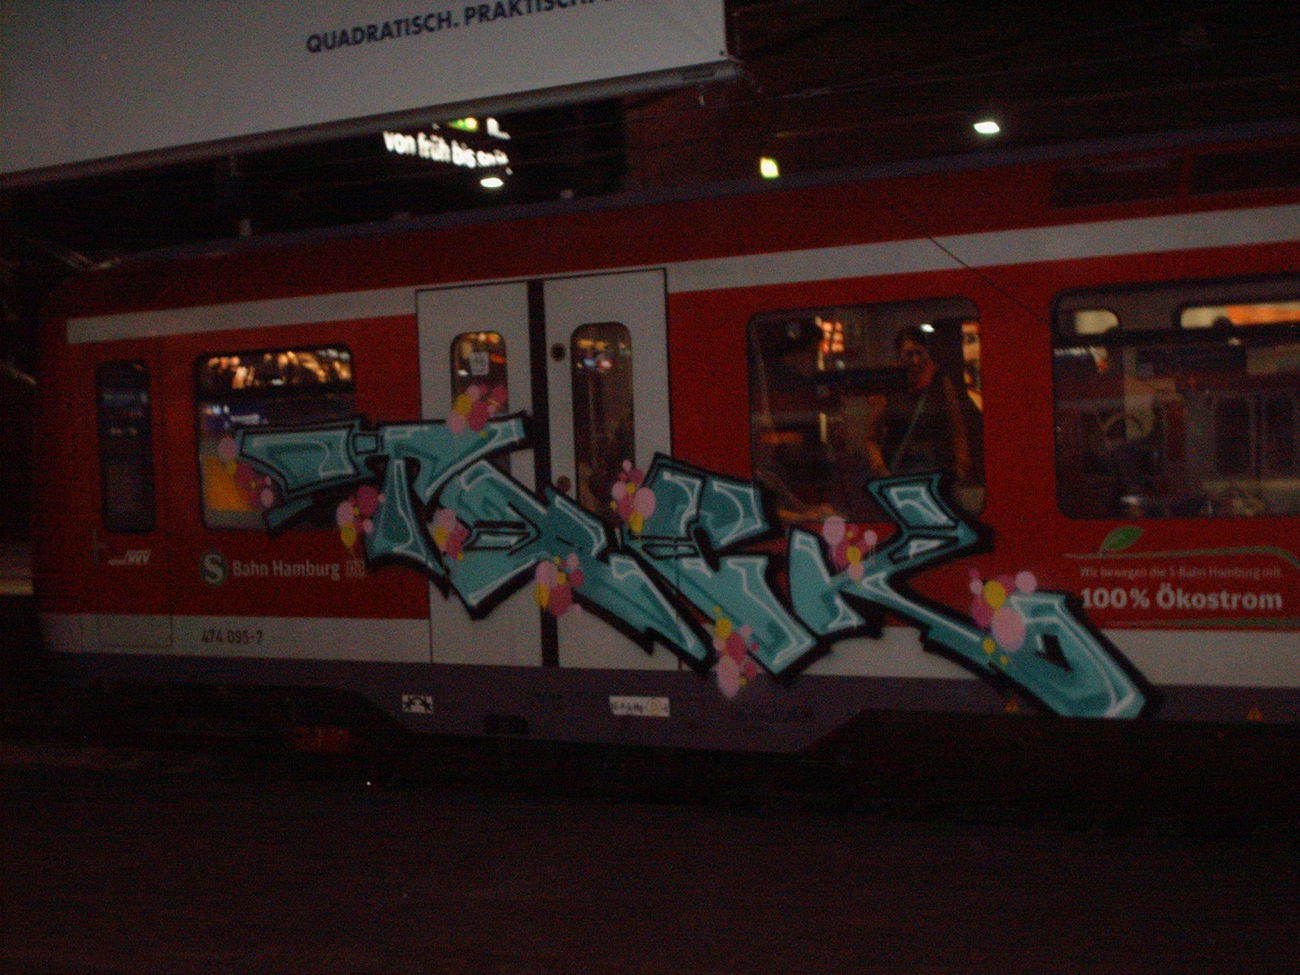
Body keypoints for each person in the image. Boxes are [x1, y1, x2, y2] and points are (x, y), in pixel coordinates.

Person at [863, 326, 974, 483]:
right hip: (897, 467)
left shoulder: (939, 381)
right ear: (899, 356)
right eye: (909, 354)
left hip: (936, 464)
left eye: (919, 353)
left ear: (926, 352)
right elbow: (871, 436)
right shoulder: (889, 385)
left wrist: (961, 463)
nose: (915, 360)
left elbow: (956, 425)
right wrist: (880, 467)